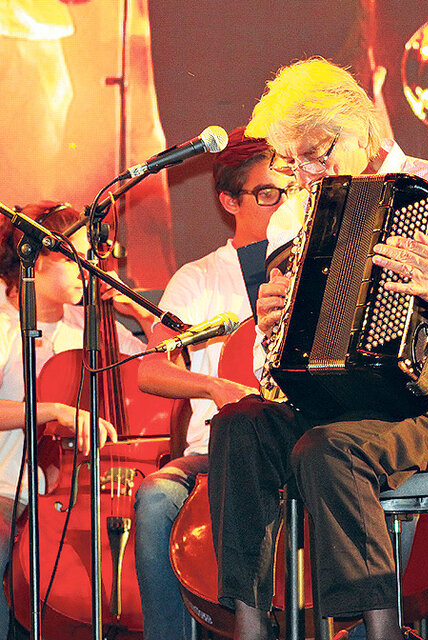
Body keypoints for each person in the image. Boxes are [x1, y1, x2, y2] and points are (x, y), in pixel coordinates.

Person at [207, 57, 428, 640]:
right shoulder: (289, 220)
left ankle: (377, 631)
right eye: (292, 161)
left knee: (327, 451)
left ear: (364, 128)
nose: (305, 175)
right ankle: (252, 627)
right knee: (238, 427)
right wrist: (270, 329)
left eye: (318, 153)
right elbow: (273, 371)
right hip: (327, 405)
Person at [133, 127, 292, 640]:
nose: (282, 204)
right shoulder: (198, 279)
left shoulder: (316, 268)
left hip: (298, 447)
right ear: (229, 200)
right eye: (268, 194)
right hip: (214, 456)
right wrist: (215, 388)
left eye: (290, 191)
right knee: (156, 501)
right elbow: (149, 369)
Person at [0, 201, 130, 639]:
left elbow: (153, 370)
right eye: (76, 257)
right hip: (4, 489)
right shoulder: (2, 325)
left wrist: (147, 317)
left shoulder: (88, 325)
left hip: (73, 492)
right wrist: (52, 411)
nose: (88, 268)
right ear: (34, 257)